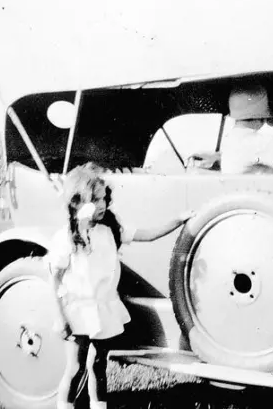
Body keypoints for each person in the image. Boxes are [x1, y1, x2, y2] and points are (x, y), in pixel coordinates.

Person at [45, 163, 194, 409]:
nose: (102, 204)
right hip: (76, 310)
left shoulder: (110, 230)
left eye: (104, 198)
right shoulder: (66, 239)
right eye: (95, 199)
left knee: (98, 363)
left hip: (102, 309)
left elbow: (148, 234)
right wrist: (60, 316)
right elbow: (54, 277)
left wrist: (178, 220)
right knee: (75, 367)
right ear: (76, 203)